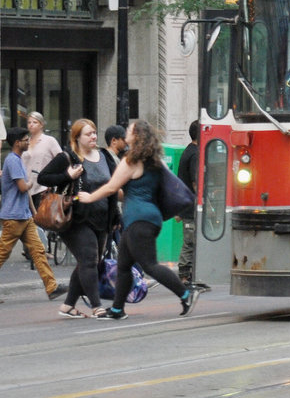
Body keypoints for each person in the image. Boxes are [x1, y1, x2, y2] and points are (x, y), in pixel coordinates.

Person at [78, 119, 199, 320]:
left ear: (136, 136)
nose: (127, 131)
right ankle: (117, 309)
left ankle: (185, 294)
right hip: (148, 217)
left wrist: (90, 197)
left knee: (150, 265)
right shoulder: (153, 161)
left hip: (138, 220)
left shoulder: (131, 160)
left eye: (130, 130)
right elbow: (135, 191)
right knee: (124, 265)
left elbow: (111, 187)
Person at [39, 119, 121, 318]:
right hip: (75, 218)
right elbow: (43, 177)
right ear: (77, 137)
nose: (93, 137)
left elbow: (111, 188)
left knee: (89, 261)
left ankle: (67, 306)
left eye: (94, 132)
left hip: (101, 218)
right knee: (88, 260)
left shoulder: (104, 156)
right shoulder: (67, 157)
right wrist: (67, 175)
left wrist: (116, 215)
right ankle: (97, 306)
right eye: (88, 134)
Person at [0, 127, 66, 300]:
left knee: (38, 251)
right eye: (25, 139)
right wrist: (33, 181)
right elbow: (23, 187)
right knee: (2, 254)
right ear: (17, 143)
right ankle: (52, 287)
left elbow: (25, 192)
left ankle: (52, 287)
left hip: (24, 216)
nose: (28, 141)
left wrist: (34, 213)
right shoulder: (12, 161)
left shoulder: (18, 159)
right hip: (13, 217)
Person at [22, 111, 61, 251]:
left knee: (39, 218)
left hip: (42, 185)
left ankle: (39, 249)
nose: (31, 125)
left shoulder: (49, 141)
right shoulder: (25, 141)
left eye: (35, 122)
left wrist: (54, 178)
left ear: (42, 124)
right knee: (26, 219)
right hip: (25, 185)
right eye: (29, 122)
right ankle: (30, 248)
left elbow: (60, 159)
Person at [176, 120, 201, 286]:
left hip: (186, 204)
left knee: (191, 240)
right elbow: (195, 182)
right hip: (190, 205)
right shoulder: (194, 154)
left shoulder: (189, 151)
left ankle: (189, 274)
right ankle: (184, 276)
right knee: (190, 241)